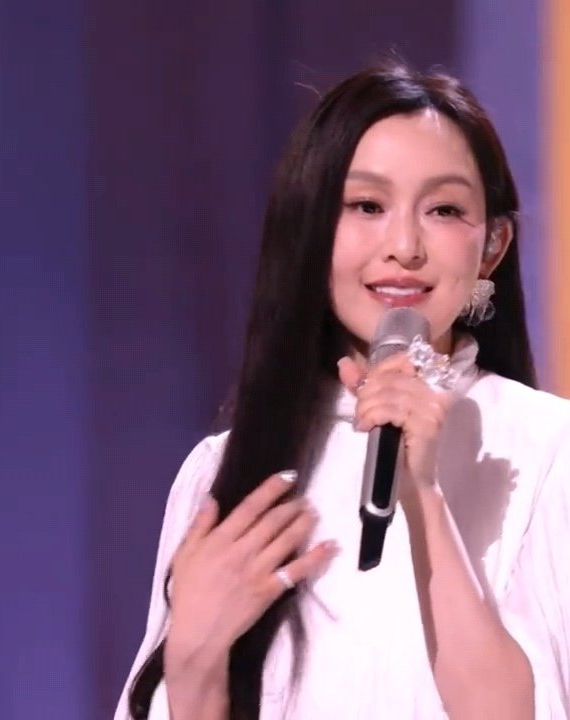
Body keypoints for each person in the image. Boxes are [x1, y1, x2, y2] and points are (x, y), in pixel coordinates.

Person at [114, 61, 570, 720]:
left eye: (443, 210)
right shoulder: (222, 471)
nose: (404, 246)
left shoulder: (548, 449)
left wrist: (424, 495)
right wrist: (194, 661)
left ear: (493, 245)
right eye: (366, 206)